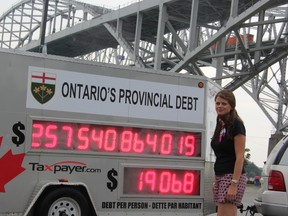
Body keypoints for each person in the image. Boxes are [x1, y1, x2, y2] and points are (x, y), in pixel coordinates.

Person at [211, 89, 247, 216]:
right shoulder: (220, 124)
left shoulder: (237, 124)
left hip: (232, 176)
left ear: (231, 105)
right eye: (217, 103)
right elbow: (221, 155)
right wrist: (216, 181)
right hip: (220, 175)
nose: (219, 106)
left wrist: (234, 184)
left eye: (224, 103)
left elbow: (240, 157)